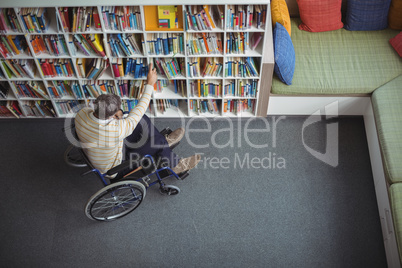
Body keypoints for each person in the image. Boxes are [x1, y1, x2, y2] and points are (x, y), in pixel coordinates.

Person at [75, 63, 200, 178]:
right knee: (156, 138)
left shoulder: (82, 113)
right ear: (110, 116)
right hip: (117, 166)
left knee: (141, 119)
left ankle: (164, 146)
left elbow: (135, 116)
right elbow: (141, 108)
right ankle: (175, 165)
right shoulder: (115, 131)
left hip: (102, 145)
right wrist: (150, 84)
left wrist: (117, 113)